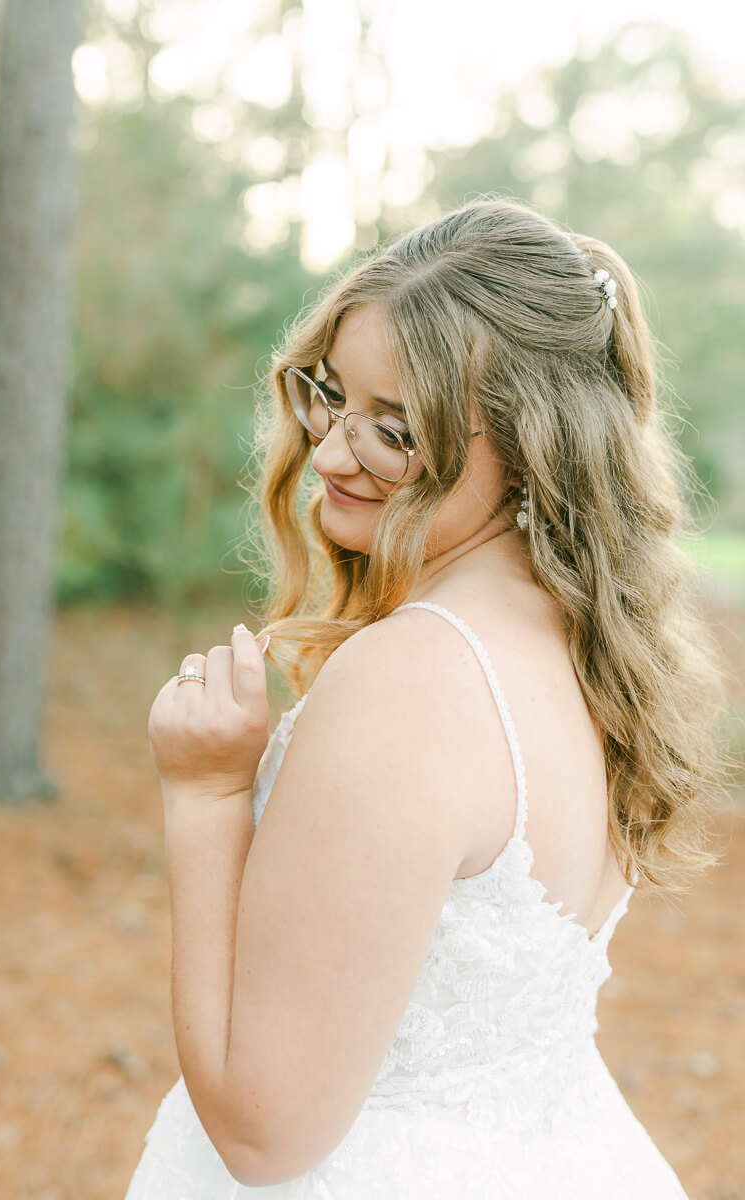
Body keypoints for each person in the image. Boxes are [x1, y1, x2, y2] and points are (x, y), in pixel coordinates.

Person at [124, 198, 731, 1198]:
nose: (325, 454)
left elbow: (263, 1133)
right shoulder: (590, 649)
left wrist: (202, 795)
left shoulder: (410, 682)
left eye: (394, 431)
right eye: (329, 397)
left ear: (530, 444)